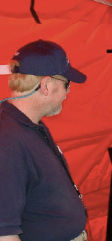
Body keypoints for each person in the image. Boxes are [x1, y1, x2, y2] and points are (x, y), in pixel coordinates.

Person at [0, 40, 87, 241]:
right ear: (46, 85)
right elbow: (5, 233)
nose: (68, 92)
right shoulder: (7, 141)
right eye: (67, 84)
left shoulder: (30, 124)